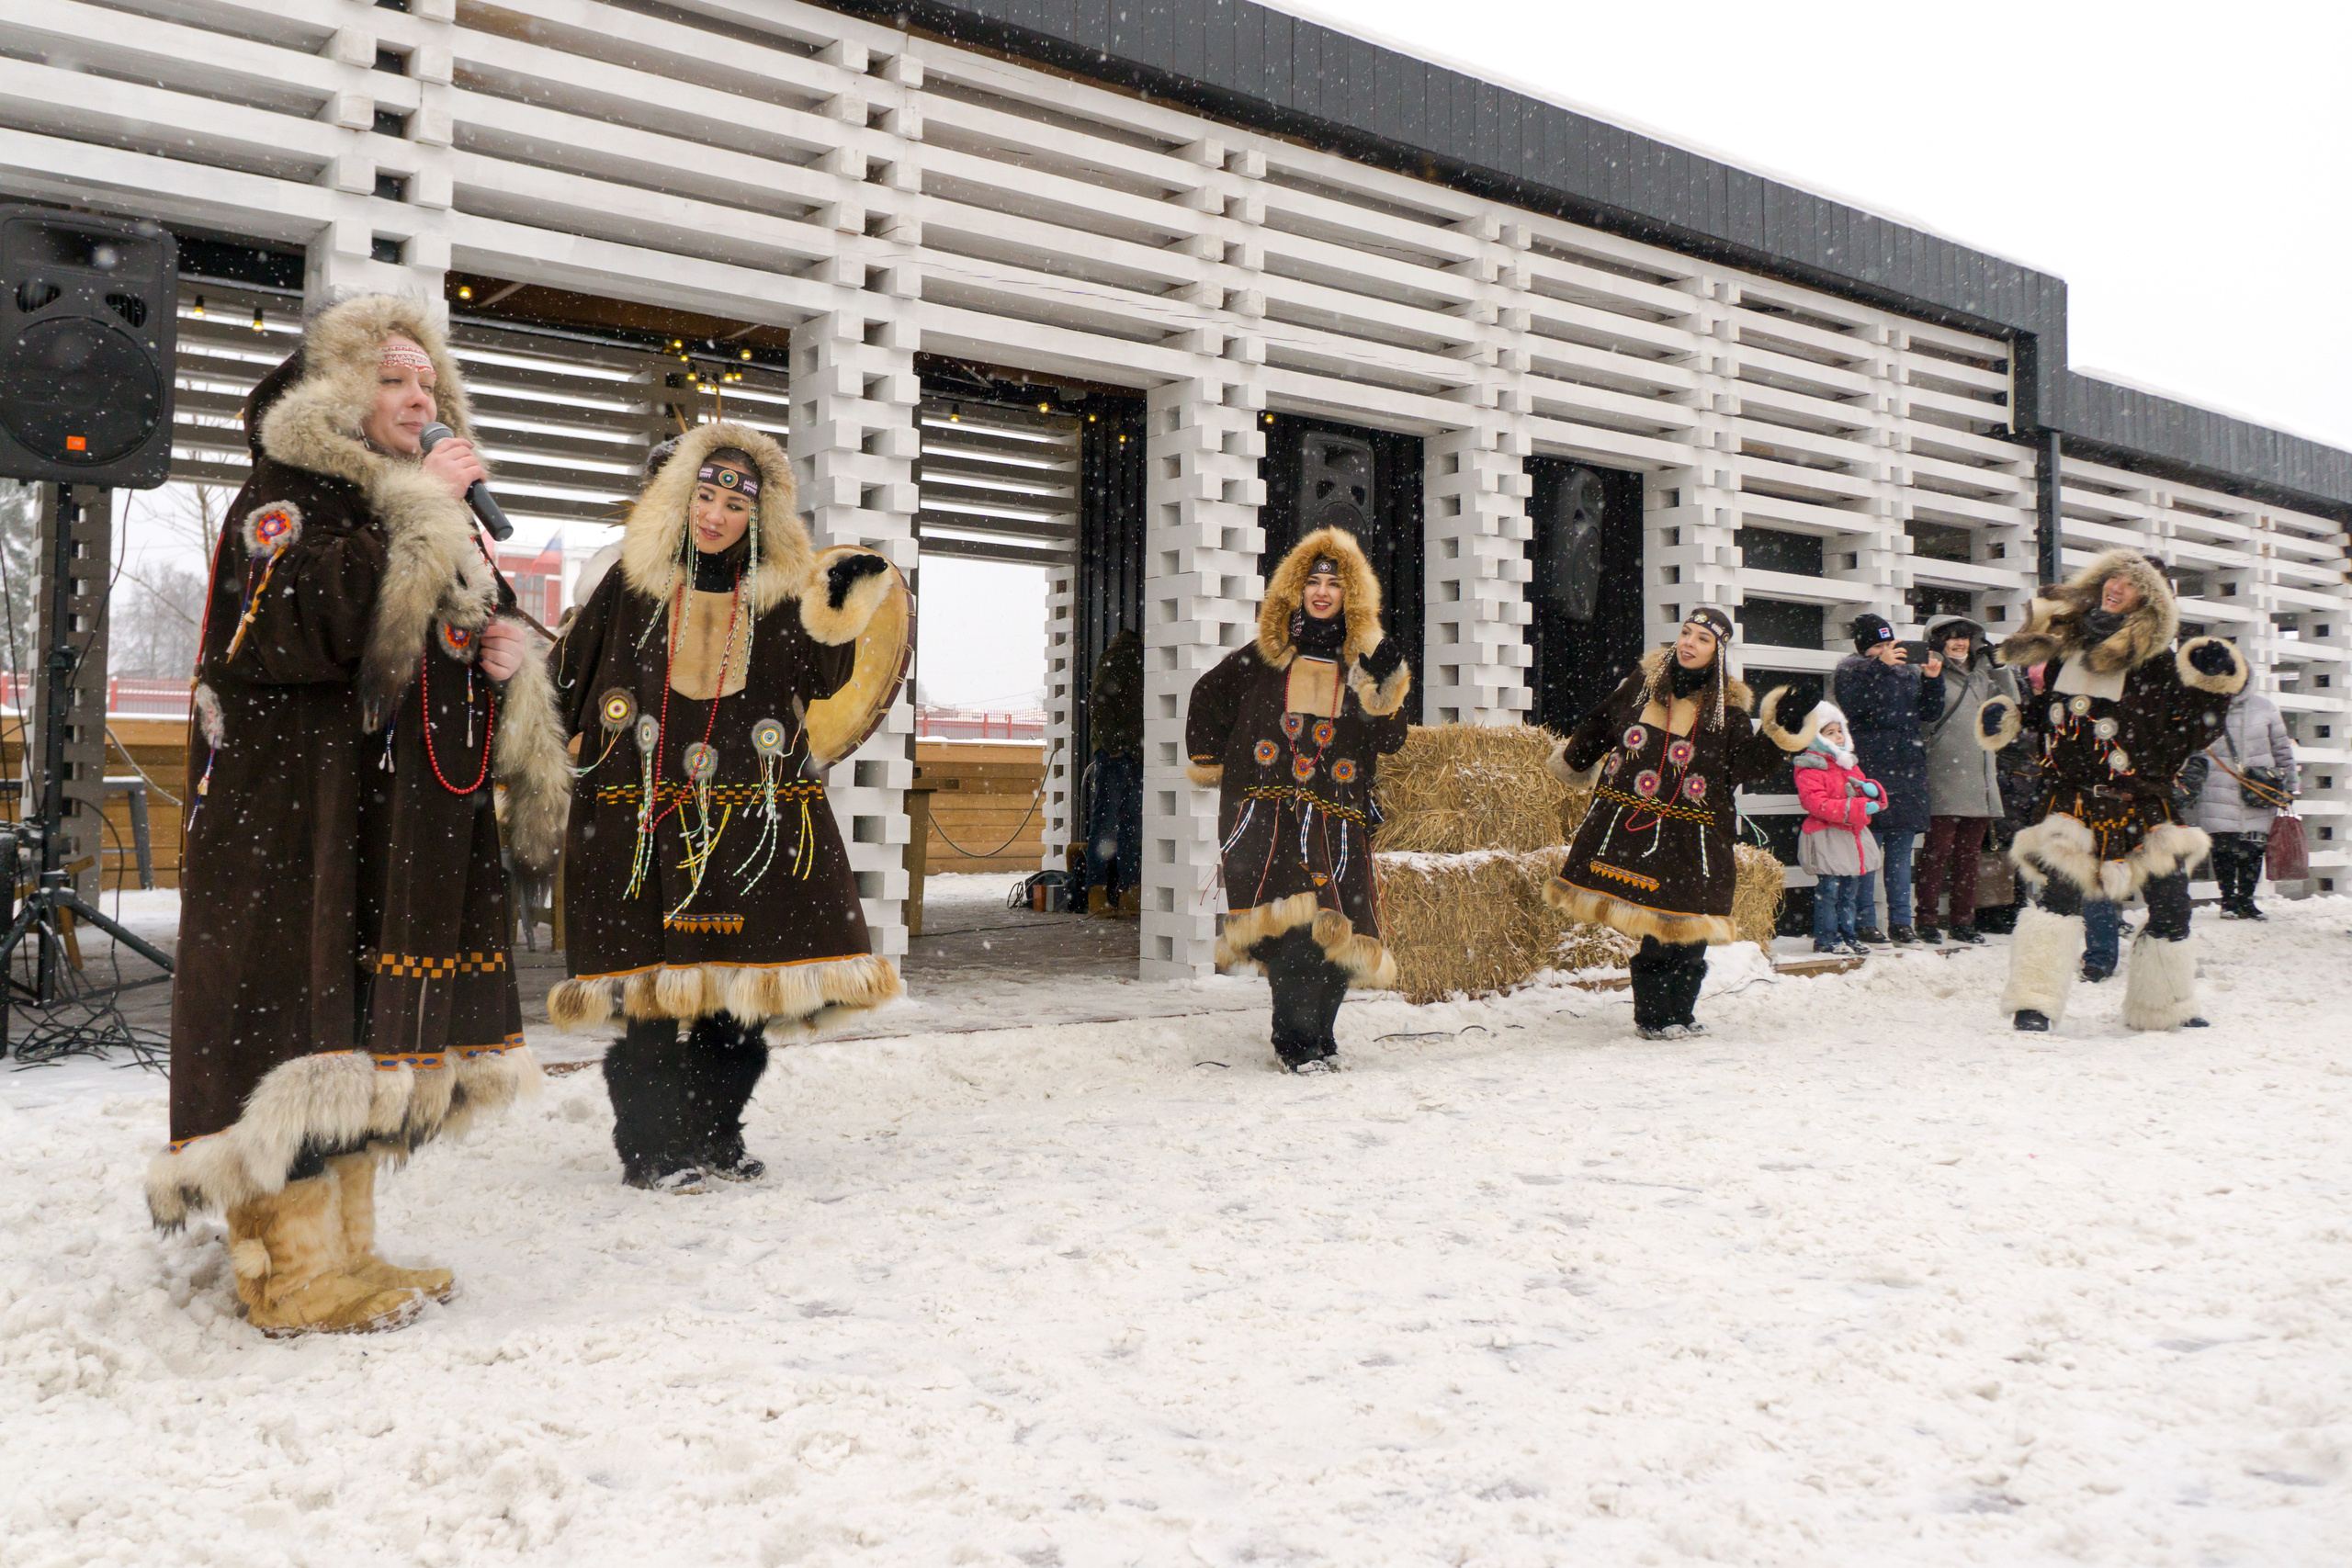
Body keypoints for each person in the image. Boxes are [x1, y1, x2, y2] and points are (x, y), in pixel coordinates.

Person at [147, 293, 571, 1336]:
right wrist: (425, 507)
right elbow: (303, 628)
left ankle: (351, 1252)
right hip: (301, 832)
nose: (418, 396)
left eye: (428, 381)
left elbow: (428, 650)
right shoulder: (285, 499)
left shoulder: (415, 505)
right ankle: (292, 1275)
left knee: (362, 1046)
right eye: (393, 378)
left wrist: (505, 657)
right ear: (338, 391)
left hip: (389, 829)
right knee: (299, 1032)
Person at [547, 423, 906, 1188]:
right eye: (702, 497)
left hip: (746, 824)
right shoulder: (629, 585)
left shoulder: (776, 594)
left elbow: (821, 672)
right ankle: (650, 1151)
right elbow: (564, 682)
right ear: (679, 499)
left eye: (732, 506)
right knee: (647, 1002)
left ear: (759, 516)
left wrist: (839, 610)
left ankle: (715, 1135)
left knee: (734, 1000)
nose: (714, 516)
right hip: (640, 821)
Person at [1976, 550, 2246, 1032]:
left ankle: (2164, 1007)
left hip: (2141, 801)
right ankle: (2033, 1003)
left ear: (2150, 600)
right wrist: (2015, 719)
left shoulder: (2159, 662)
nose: (2115, 588)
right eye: (2112, 578)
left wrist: (2213, 688)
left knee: (2170, 904)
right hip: (2074, 799)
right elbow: (2049, 713)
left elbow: (2189, 731)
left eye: (2129, 583)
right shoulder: (2068, 647)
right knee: (2056, 899)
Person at [1184, 528, 1410, 1072]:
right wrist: (1212, 761)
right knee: (1293, 937)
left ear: (1350, 594)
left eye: (1334, 582)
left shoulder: (1362, 665)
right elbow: (1205, 696)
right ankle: (1294, 1044)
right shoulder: (1263, 658)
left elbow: (1391, 739)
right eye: (1312, 581)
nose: (1322, 591)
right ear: (1295, 589)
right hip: (1270, 818)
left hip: (1338, 822)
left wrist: (1389, 677)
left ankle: (1321, 1037)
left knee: (1340, 936)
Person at [1547, 607, 1815, 1038]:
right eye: (1686, 634)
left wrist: (1781, 729)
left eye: (1702, 639)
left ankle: (1681, 1013)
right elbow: (1602, 721)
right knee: (1657, 923)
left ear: (1718, 652)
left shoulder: (1726, 708)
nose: (1689, 643)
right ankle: (1653, 1017)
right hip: (1639, 821)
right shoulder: (1643, 684)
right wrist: (1575, 759)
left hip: (1697, 832)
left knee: (1692, 924)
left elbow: (1743, 765)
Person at [1833, 614, 1942, 943]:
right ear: (1864, 649)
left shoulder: (1907, 673)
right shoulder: (1851, 673)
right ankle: (1865, 920)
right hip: (1871, 765)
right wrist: (1879, 666)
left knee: (1900, 850)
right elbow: (1855, 707)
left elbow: (1929, 713)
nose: (1886, 650)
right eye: (1878, 646)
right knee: (1869, 846)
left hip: (1907, 767)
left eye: (1889, 644)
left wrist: (1933, 679)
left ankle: (1901, 921)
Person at [1916, 615, 2020, 944]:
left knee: (1969, 858)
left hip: (1979, 779)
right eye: (1952, 637)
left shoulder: (1980, 676)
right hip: (1944, 775)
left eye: (1965, 637)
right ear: (1938, 641)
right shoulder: (1927, 672)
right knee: (1937, 854)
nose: (1959, 643)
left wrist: (2000, 667)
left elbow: (2011, 705)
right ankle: (1927, 920)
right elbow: (1923, 719)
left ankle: (1963, 921)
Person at [2194, 680, 2299, 919]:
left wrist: (2291, 787)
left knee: (2254, 846)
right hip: (2218, 786)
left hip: (2259, 789)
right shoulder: (2206, 708)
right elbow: (2195, 750)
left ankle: (2246, 900)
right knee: (2223, 845)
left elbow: (2282, 749)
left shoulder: (2265, 707)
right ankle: (2228, 899)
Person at [1793, 701, 1882, 955]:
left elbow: (1863, 788)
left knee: (1849, 892)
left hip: (1849, 837)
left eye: (1839, 730)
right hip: (1827, 837)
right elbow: (1815, 803)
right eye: (1829, 732)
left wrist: (1871, 794)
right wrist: (1854, 808)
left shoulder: (1848, 764)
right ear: (1816, 737)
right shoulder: (1811, 766)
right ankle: (1826, 937)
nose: (1838, 736)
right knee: (1829, 891)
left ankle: (1848, 934)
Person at [1082, 625, 1145, 916]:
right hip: (1124, 753)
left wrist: (1112, 744)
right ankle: (1125, 892)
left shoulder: (1117, 656)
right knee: (1123, 824)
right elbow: (1099, 704)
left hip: (1125, 752)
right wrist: (1114, 745)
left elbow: (1099, 703)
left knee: (1112, 823)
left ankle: (1102, 896)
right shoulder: (1128, 657)